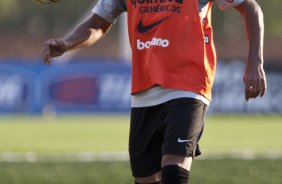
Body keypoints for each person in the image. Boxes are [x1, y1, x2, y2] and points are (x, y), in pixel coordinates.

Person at [42, 0, 267, 183]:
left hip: (189, 83)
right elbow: (98, 23)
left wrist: (255, 61)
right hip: (144, 88)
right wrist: (67, 43)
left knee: (173, 173)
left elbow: (250, 7)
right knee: (145, 178)